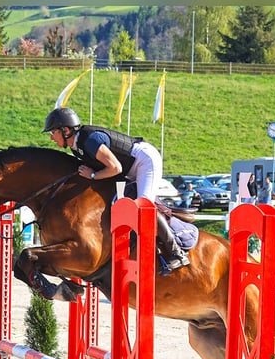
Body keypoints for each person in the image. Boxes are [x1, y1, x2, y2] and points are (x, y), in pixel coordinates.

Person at [42, 106, 188, 273]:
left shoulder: (89, 140)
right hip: (129, 168)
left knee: (143, 207)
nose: (52, 138)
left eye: (53, 133)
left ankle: (177, 252)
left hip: (144, 161)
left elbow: (115, 168)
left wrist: (92, 176)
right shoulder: (76, 146)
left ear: (65, 130)